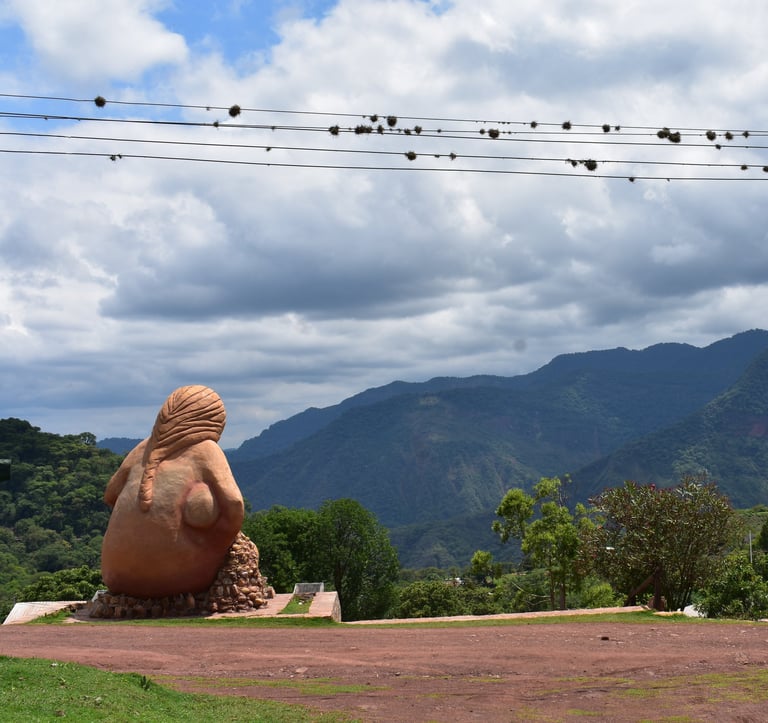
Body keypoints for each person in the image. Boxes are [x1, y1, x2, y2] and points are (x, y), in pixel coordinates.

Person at [101, 385, 244, 598]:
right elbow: (234, 505)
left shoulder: (141, 449)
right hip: (181, 574)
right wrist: (219, 540)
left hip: (117, 573)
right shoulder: (206, 450)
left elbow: (110, 494)